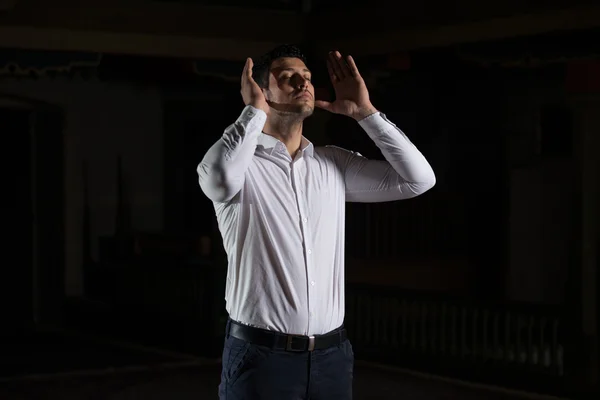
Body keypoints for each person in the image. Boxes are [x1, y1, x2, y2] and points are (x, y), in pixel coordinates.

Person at [197, 44, 436, 400]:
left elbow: (419, 179)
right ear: (262, 90)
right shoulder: (240, 164)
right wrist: (252, 113)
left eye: (307, 78)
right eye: (288, 77)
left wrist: (366, 113)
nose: (303, 83)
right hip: (260, 358)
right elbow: (215, 178)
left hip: (331, 358)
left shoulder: (332, 164)